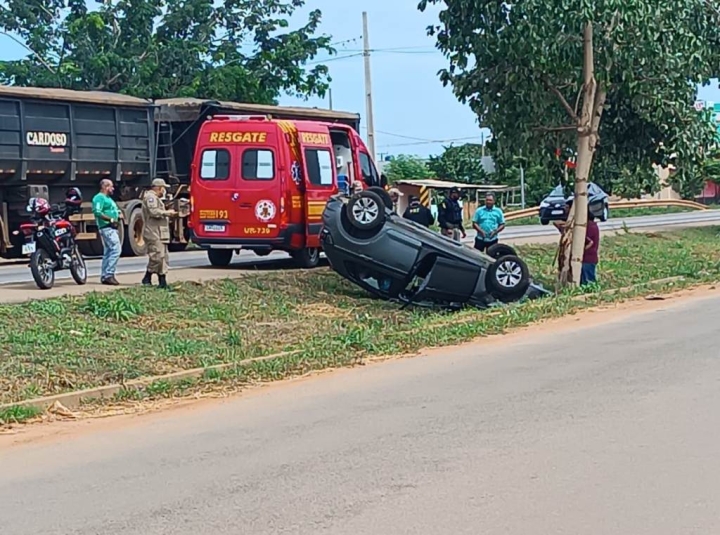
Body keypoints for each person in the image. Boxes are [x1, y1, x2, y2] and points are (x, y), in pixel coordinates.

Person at [141, 178, 176, 289]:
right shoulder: (150, 197)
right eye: (163, 188)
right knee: (157, 256)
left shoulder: (156, 199)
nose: (164, 191)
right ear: (159, 188)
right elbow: (153, 212)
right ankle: (148, 276)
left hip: (160, 232)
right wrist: (167, 213)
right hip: (153, 232)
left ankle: (162, 281)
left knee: (163, 257)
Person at [92, 179, 121, 286]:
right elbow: (97, 212)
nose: (113, 189)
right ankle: (109, 274)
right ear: (105, 187)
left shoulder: (108, 198)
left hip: (111, 228)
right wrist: (111, 219)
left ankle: (105, 276)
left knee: (108, 251)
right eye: (111, 187)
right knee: (116, 249)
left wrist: (118, 214)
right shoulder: (99, 198)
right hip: (107, 228)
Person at [582, 214, 600, 285]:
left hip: (587, 258)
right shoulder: (593, 226)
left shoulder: (588, 227)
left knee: (587, 282)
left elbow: (589, 242)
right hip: (591, 257)